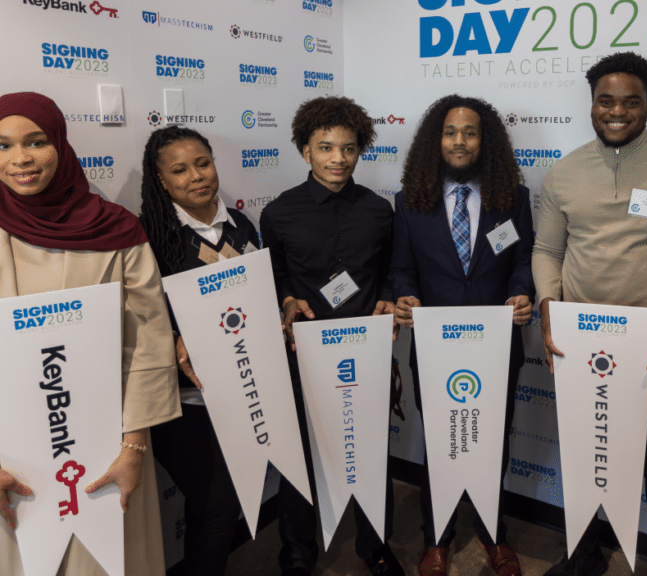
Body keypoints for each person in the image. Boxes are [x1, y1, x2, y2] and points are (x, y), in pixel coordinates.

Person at [532, 52, 647, 576]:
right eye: (606, 100)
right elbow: (547, 252)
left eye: (631, 102)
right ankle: (585, 555)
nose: (617, 111)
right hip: (579, 345)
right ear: (591, 104)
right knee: (587, 456)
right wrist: (549, 306)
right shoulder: (564, 172)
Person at [0, 92, 180, 575]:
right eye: (2, 145)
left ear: (59, 143)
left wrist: (134, 445)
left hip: (108, 449)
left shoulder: (116, 229)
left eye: (35, 142)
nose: (19, 159)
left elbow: (146, 341)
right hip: (11, 463)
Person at [390, 94, 534, 576]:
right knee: (441, 442)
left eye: (469, 132)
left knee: (494, 440)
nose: (459, 140)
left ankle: (494, 535)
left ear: (484, 139)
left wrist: (519, 293)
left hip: (496, 345)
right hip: (436, 348)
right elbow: (402, 269)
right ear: (437, 140)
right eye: (450, 132)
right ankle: (437, 538)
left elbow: (522, 261)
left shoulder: (512, 197)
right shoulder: (410, 201)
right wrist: (406, 295)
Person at [260, 96, 404, 576]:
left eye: (348, 148)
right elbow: (275, 275)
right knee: (299, 459)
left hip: (367, 350)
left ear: (360, 149)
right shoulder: (278, 213)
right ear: (305, 151)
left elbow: (389, 271)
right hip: (305, 356)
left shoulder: (381, 211)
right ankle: (297, 556)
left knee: (370, 453)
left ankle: (376, 547)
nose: (338, 158)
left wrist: (386, 294)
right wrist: (285, 301)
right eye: (325, 148)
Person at [140, 125, 260, 575]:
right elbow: (137, 313)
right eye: (180, 170)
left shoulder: (242, 225)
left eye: (202, 163)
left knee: (217, 509)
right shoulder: (148, 234)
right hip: (186, 403)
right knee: (216, 507)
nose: (196, 176)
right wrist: (174, 333)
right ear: (161, 179)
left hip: (242, 391)